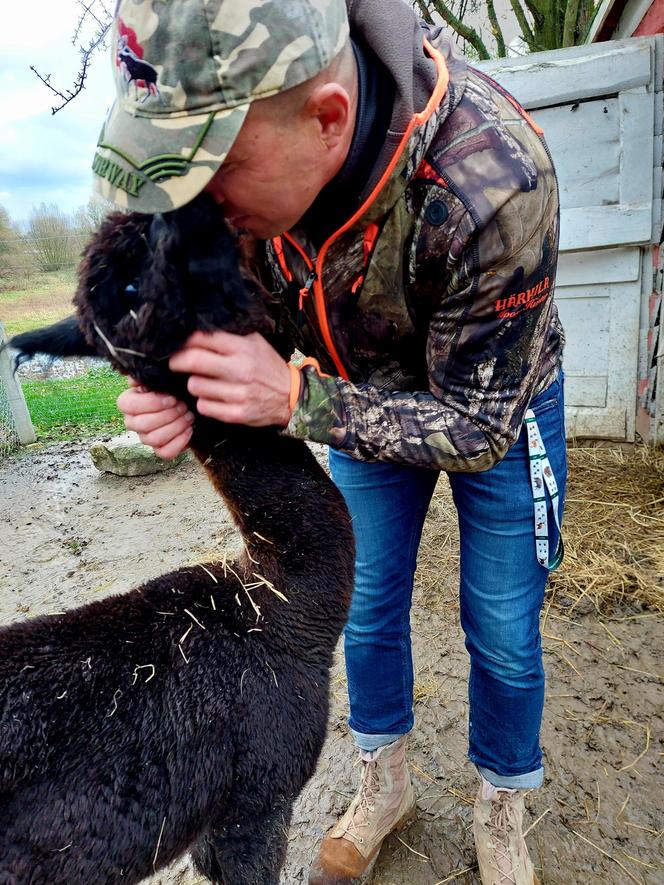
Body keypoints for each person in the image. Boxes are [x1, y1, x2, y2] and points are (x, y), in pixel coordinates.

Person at [95, 1, 567, 882]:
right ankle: (385, 782)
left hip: (494, 399)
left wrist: (298, 398)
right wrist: (176, 397)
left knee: (502, 625)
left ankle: (502, 803)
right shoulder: (242, 196)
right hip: (353, 389)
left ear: (327, 119)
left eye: (213, 169)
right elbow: (205, 321)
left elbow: (476, 426)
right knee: (360, 603)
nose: (192, 204)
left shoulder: (497, 183)